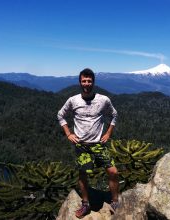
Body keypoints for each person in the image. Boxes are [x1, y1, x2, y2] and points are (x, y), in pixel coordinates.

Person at [57, 68, 119, 218]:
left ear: (93, 82)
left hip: (98, 144)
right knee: (83, 174)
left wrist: (108, 133)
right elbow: (60, 115)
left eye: (89, 81)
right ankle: (86, 204)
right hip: (82, 144)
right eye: (84, 81)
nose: (86, 83)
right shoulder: (73, 100)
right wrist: (68, 133)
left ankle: (115, 201)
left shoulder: (103, 100)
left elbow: (114, 115)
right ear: (80, 82)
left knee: (113, 172)